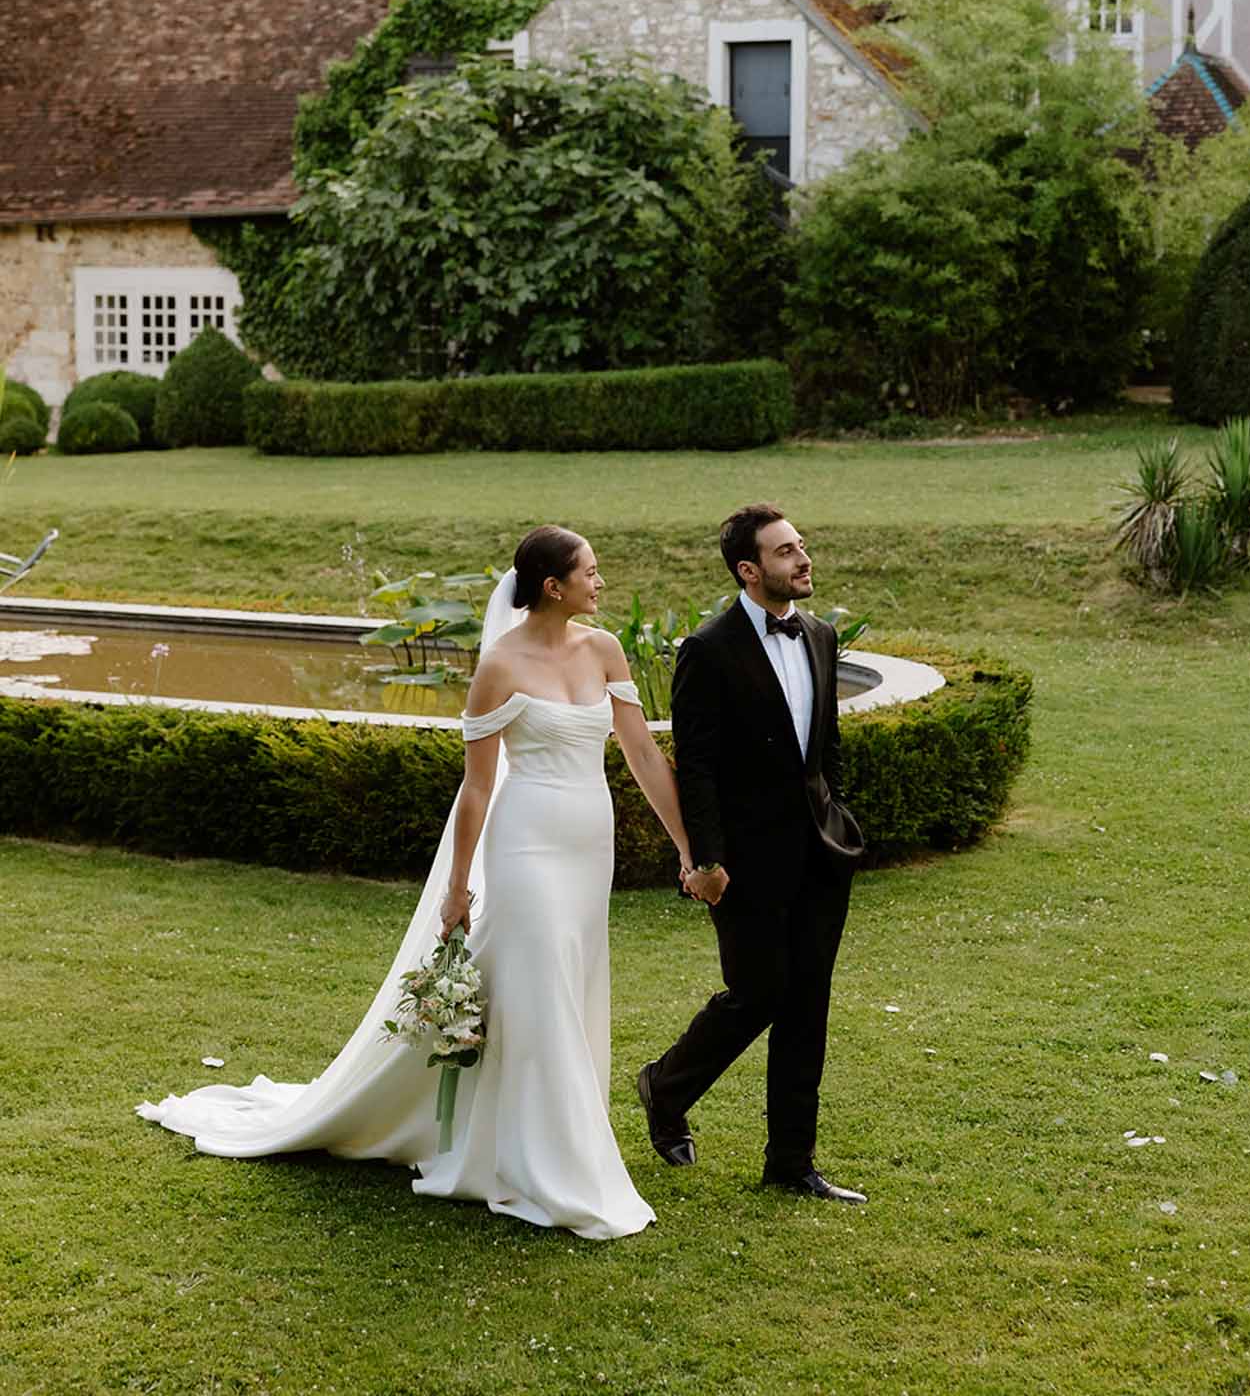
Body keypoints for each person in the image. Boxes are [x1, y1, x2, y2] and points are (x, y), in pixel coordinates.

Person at [138, 525, 694, 1241]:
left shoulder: (605, 649)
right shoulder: (500, 664)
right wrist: (458, 888)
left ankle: (537, 1142)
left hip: (590, 841)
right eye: (590, 572)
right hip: (523, 843)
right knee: (543, 984)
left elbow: (644, 753)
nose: (601, 582)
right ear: (553, 587)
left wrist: (686, 846)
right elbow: (476, 789)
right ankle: (552, 1169)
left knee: (566, 985)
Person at [637, 503, 867, 1202]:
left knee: (808, 1004)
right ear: (749, 570)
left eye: (803, 545)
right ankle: (665, 1087)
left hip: (821, 852)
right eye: (787, 552)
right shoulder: (708, 649)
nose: (804, 560)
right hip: (744, 859)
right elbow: (697, 765)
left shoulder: (821, 636)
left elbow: (822, 748)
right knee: (759, 992)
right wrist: (705, 860)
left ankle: (791, 1163)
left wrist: (840, 819)